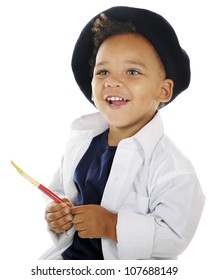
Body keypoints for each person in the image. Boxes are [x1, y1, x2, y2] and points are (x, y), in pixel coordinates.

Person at [41, 6, 205, 260]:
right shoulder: (82, 143)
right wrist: (57, 213)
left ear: (163, 91)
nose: (112, 81)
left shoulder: (173, 169)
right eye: (103, 71)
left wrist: (112, 225)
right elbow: (62, 190)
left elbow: (175, 236)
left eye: (132, 72)